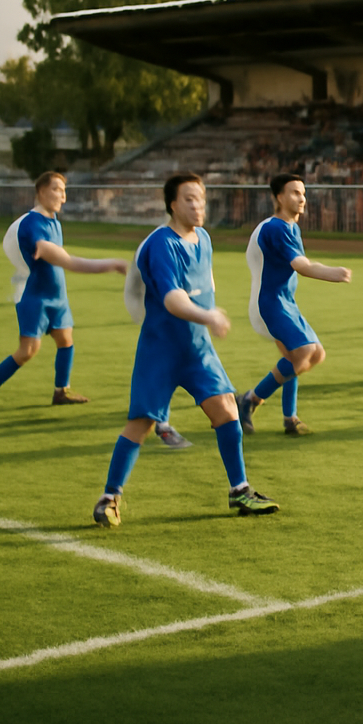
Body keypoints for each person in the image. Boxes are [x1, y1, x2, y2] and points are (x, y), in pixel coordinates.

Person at [92, 173, 279, 528]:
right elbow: (172, 299)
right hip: (161, 350)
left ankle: (240, 490)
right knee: (142, 423)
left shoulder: (204, 239)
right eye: (190, 199)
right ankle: (109, 497)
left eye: (201, 199)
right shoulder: (161, 244)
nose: (198, 206)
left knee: (227, 410)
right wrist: (208, 315)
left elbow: (203, 286)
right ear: (172, 204)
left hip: (197, 349)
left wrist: (207, 316)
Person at [0, 172, 184, 440]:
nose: (62, 196)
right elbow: (66, 261)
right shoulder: (32, 224)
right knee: (27, 351)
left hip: (57, 296)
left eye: (64, 190)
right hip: (35, 297)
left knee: (65, 340)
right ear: (41, 192)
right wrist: (110, 264)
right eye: (56, 189)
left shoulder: (53, 222)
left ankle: (61, 392)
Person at [236, 172, 353, 436]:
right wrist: (333, 273)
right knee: (303, 351)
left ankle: (288, 418)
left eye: (303, 193)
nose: (302, 198)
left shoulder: (290, 227)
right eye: (295, 192)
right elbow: (301, 265)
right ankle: (251, 399)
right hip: (268, 304)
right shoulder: (275, 228)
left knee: (313, 354)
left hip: (284, 302)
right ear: (279, 197)